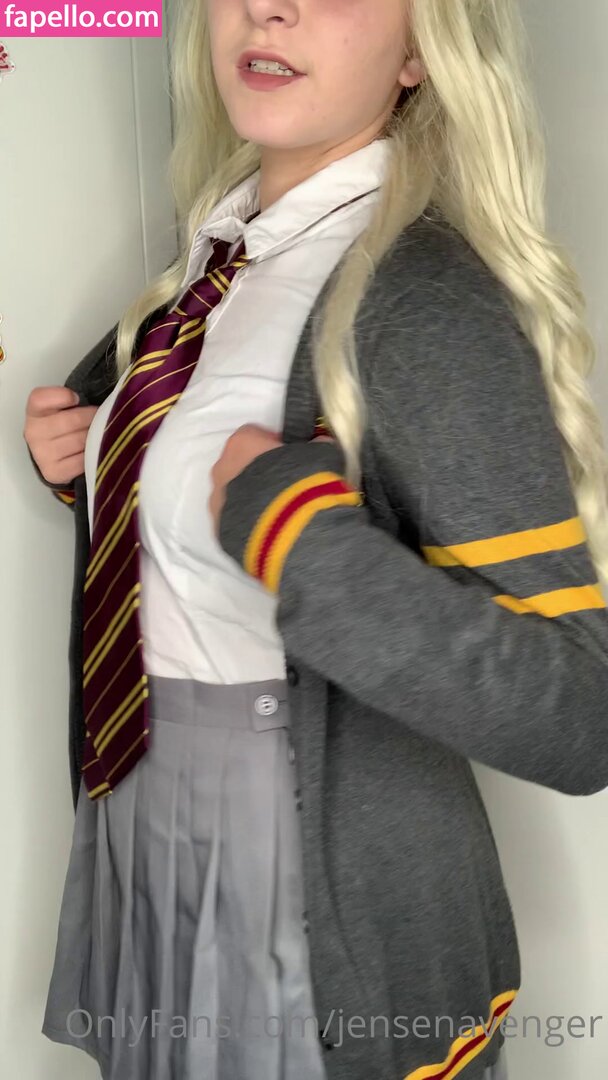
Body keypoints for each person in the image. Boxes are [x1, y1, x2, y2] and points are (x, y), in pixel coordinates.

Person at [24, 1, 608, 1079]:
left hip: (304, 863)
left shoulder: (423, 300)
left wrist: (308, 551)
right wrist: (89, 461)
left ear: (420, 51)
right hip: (138, 802)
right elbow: (190, 500)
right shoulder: (214, 260)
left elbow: (579, 715)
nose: (271, 7)